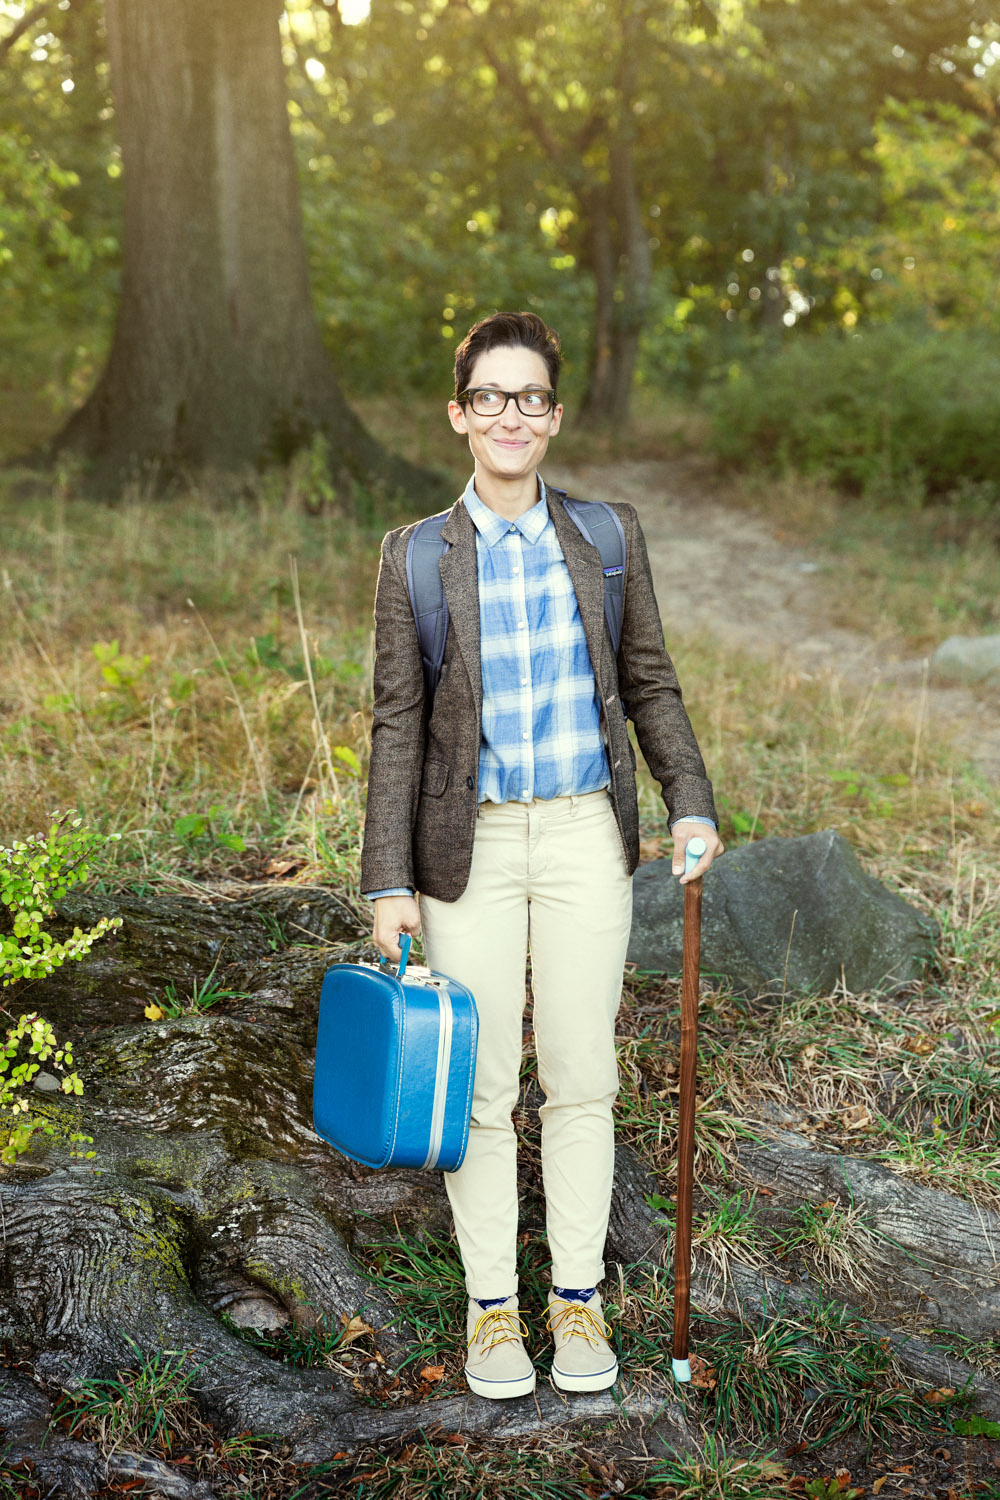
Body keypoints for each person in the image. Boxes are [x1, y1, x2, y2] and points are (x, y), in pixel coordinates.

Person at [360, 310, 723, 1400]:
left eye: (530, 398)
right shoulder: (417, 556)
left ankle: (576, 1300)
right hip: (462, 847)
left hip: (580, 838)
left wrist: (688, 802)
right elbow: (396, 722)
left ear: (553, 417)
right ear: (459, 415)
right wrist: (386, 879)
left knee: (579, 1076)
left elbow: (649, 681)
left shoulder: (605, 537)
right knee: (478, 1090)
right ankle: (489, 1315)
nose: (509, 415)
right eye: (490, 397)